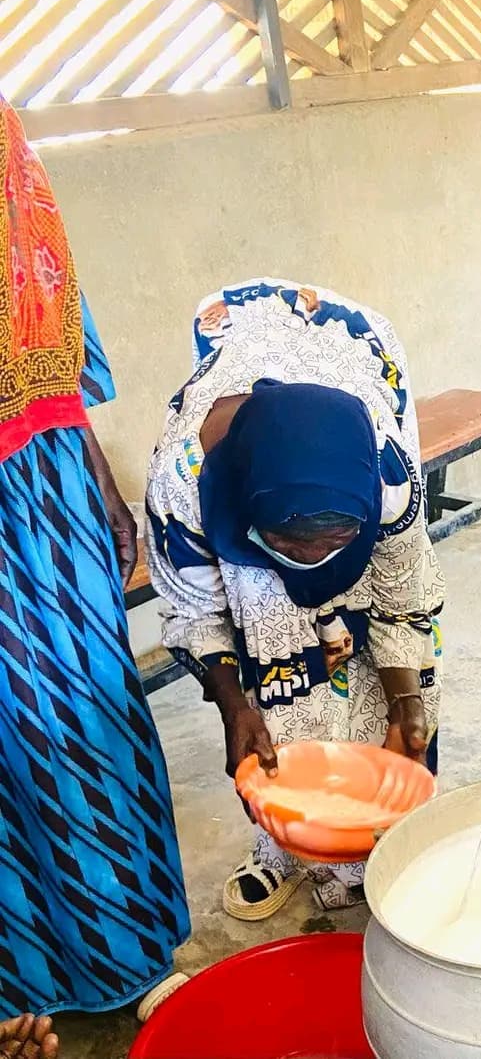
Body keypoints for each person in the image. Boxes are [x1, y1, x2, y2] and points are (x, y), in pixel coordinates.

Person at [145, 280, 444, 920]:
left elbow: (401, 594)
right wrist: (231, 706)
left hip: (344, 359)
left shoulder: (387, 473)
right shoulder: (182, 484)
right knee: (271, 668)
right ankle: (281, 845)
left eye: (338, 540)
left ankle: (377, 844)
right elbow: (196, 610)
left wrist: (406, 699)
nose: (316, 562)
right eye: (292, 542)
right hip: (254, 463)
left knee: (381, 687)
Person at [0, 98, 189, 1023]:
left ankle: (129, 951)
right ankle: (27, 982)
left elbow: (59, 347)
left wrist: (104, 484)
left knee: (82, 714)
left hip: (49, 490)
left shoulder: (8, 148)